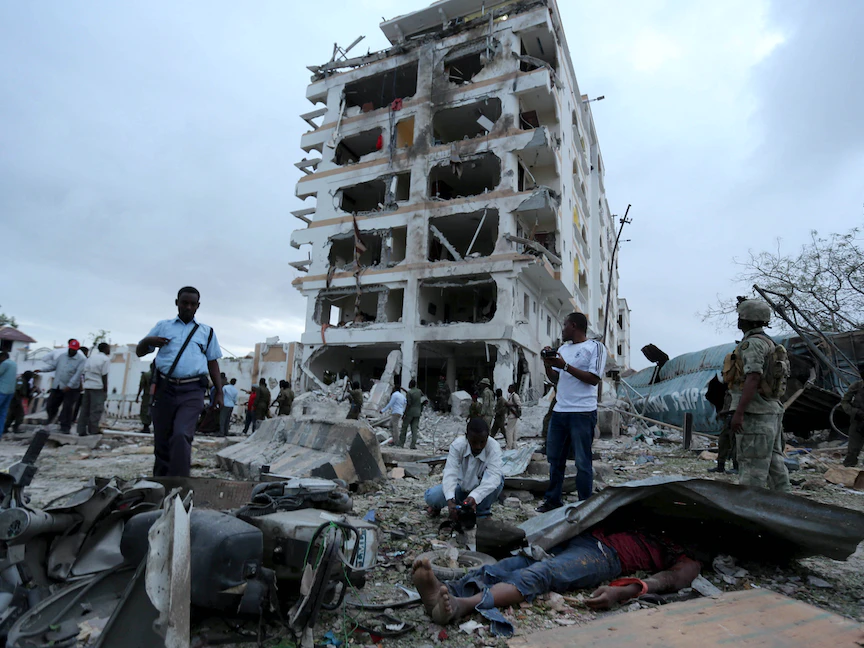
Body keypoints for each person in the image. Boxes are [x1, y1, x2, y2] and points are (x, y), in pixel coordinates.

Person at [411, 524, 700, 635]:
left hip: (605, 556)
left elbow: (670, 580)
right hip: (581, 535)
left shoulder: (690, 556)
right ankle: (443, 592)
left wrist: (623, 591)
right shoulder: (659, 516)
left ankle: (462, 605)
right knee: (516, 562)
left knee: (541, 574)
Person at [136, 286, 222, 478]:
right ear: (177, 303)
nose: (188, 307)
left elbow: (212, 362)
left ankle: (180, 484)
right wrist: (147, 341)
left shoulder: (206, 332)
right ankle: (160, 485)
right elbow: (140, 352)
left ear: (198, 306)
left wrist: (219, 391)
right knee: (162, 440)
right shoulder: (163, 326)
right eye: (184, 303)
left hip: (192, 390)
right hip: (164, 389)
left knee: (182, 434)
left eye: (192, 304)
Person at [538, 312, 607, 511]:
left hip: (582, 412)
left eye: (565, 325)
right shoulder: (563, 349)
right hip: (560, 411)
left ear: (574, 326)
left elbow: (594, 379)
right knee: (555, 460)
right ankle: (553, 500)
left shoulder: (595, 347)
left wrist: (565, 366)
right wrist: (548, 364)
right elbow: (556, 379)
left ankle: (584, 504)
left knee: (582, 461)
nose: (562, 329)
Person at [727, 299, 790, 491]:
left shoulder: (752, 344)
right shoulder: (769, 342)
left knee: (752, 465)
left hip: (755, 413)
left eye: (740, 316)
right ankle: (785, 502)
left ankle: (749, 504)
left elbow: (753, 377)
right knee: (774, 463)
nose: (738, 320)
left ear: (747, 320)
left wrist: (739, 412)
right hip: (771, 411)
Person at [424, 417, 504, 519]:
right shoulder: (458, 445)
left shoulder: (494, 448)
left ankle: (482, 513)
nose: (478, 446)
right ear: (467, 437)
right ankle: (449, 507)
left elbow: (493, 478)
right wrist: (450, 500)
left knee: (498, 480)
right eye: (474, 442)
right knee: (432, 497)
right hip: (461, 487)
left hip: (481, 489)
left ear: (487, 438)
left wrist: (474, 497)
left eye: (482, 442)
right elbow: (450, 473)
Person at [39, 340, 86, 433]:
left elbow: (77, 375)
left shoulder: (81, 360)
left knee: (67, 408)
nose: (72, 351)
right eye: (71, 349)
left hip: (71, 389)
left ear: (77, 350)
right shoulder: (62, 356)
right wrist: (41, 370)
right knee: (50, 404)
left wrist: (69, 385)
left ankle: (65, 427)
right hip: (58, 385)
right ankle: (51, 419)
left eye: (74, 350)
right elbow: (53, 366)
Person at [77, 342, 111, 436]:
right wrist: (105, 388)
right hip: (98, 387)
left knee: (85, 409)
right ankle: (93, 430)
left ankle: (81, 430)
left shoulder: (90, 358)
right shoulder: (105, 359)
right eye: (108, 348)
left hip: (88, 386)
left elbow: (84, 372)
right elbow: (104, 375)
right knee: (96, 409)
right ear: (105, 349)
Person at [839, 364, 864, 467]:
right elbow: (845, 402)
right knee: (852, 451)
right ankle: (848, 469)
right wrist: (854, 412)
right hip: (858, 422)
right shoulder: (856, 386)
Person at [708, 391, 739, 474]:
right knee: (722, 442)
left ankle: (736, 466)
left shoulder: (738, 392)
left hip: (734, 419)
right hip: (727, 420)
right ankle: (720, 466)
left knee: (734, 444)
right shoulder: (728, 393)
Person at [399, 379, 424, 449]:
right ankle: (413, 445)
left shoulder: (409, 393)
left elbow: (409, 404)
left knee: (404, 428)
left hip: (410, 413)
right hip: (417, 413)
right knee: (414, 429)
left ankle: (401, 443)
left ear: (410, 384)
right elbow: (423, 400)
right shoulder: (419, 391)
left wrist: (404, 414)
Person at [0, 352, 16, 433]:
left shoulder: (5, 363)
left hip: (2, 390)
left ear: (3, 357)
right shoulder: (14, 364)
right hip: (10, 391)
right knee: (2, 413)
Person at [505, 384, 522, 450]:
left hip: (513, 415)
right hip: (512, 415)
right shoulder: (511, 396)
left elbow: (519, 404)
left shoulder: (515, 396)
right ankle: (514, 445)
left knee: (509, 431)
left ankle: (509, 446)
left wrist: (509, 405)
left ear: (512, 389)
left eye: (509, 388)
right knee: (514, 431)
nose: (508, 389)